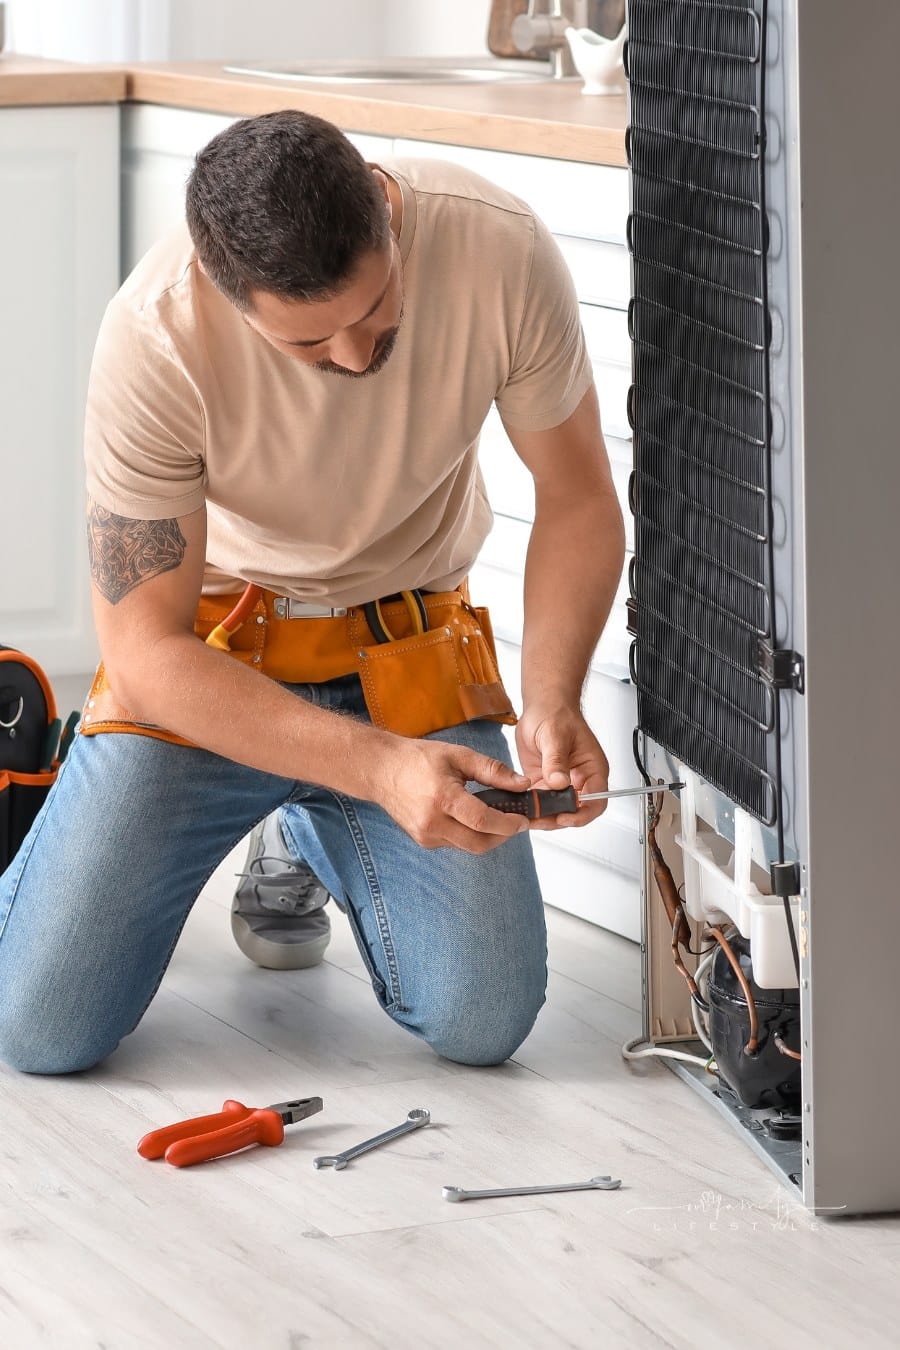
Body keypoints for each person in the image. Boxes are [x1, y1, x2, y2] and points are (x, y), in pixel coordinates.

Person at [0, 110, 625, 1076]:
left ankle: (302, 827)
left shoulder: (499, 247)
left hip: (406, 654)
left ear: (385, 207)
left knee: (483, 1021)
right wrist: (375, 770)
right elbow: (146, 651)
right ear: (229, 295)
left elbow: (580, 498)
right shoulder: (154, 336)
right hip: (214, 674)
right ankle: (285, 795)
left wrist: (551, 697)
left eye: (376, 313)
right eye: (307, 343)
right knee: (41, 1030)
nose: (350, 357)